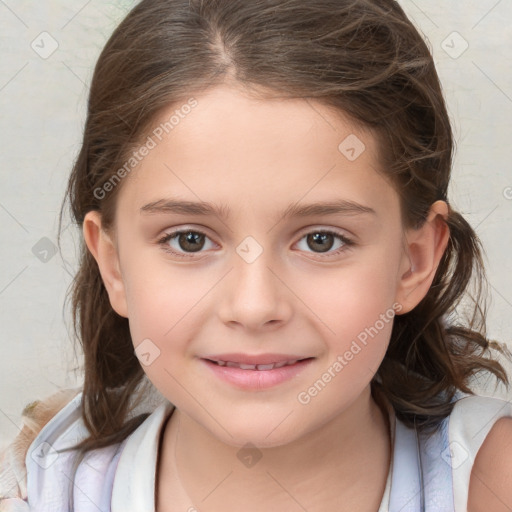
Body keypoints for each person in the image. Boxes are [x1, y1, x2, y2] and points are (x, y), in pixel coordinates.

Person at [1, 0, 512, 510]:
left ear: (414, 260)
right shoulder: (42, 492)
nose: (253, 306)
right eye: (190, 240)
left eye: (321, 240)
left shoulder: (493, 482)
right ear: (113, 265)